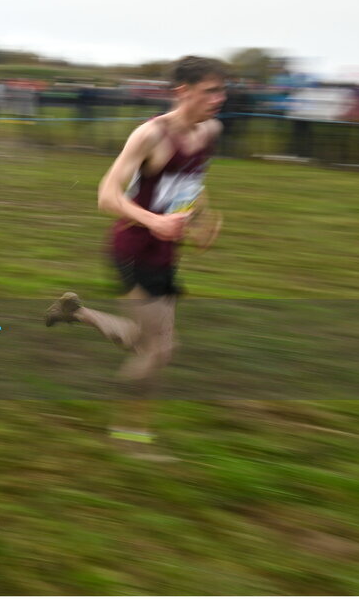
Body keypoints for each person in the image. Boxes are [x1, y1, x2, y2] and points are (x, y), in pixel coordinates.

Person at [45, 56, 227, 460]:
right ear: (183, 92)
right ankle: (129, 436)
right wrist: (153, 222)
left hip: (165, 251)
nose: (220, 99)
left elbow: (192, 181)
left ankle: (78, 313)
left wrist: (201, 218)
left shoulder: (210, 131)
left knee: (147, 342)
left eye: (221, 90)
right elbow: (106, 195)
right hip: (133, 250)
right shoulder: (150, 135)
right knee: (159, 349)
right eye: (210, 91)